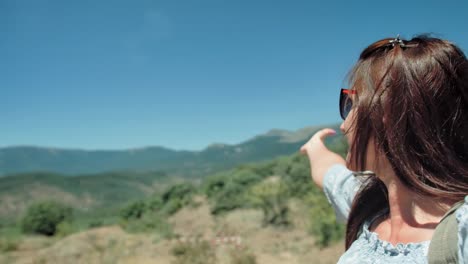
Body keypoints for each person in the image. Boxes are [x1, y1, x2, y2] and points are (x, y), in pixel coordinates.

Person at [300, 35, 468, 263]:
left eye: (351, 103)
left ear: (388, 114)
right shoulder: (371, 202)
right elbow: (330, 172)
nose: (343, 124)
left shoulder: (460, 232)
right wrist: (314, 147)